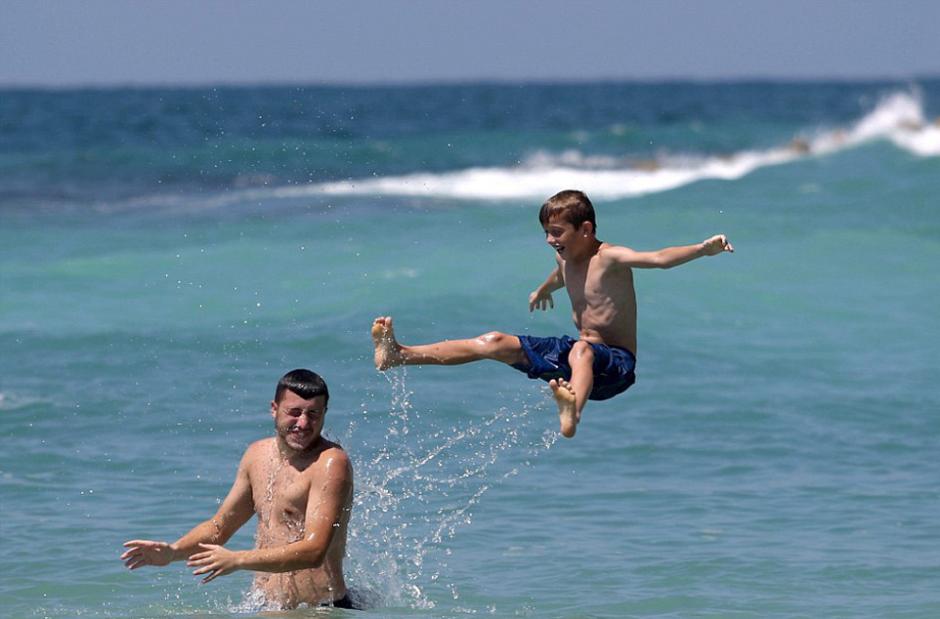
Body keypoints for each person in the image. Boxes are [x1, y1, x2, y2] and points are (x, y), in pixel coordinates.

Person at [371, 189, 733, 438]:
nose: (549, 240)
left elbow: (658, 258)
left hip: (616, 367)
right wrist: (543, 290)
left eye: (557, 232)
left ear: (586, 230)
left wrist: (702, 249)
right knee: (493, 342)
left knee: (582, 349)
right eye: (546, 232)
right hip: (578, 360)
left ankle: (572, 412)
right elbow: (561, 275)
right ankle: (399, 355)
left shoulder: (610, 257)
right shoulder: (564, 258)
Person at [120, 369, 356, 610]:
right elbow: (219, 527)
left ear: (324, 413)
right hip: (268, 606)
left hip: (320, 609)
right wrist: (173, 551)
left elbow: (314, 551)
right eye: (294, 412)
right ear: (274, 409)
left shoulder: (330, 463)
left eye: (313, 414)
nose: (303, 423)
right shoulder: (257, 455)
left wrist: (238, 559)